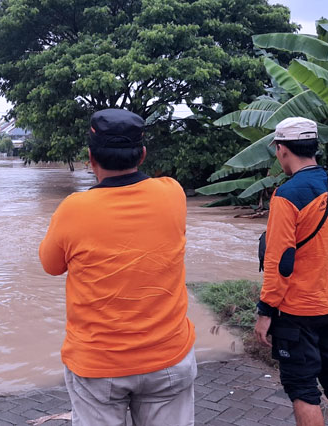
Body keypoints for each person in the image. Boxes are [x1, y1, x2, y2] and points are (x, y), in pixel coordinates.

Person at [39, 109, 196, 426]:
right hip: (168, 357)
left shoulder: (73, 209)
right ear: (143, 154)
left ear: (90, 157)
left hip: (98, 365)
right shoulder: (173, 193)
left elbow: (51, 265)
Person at [254, 117, 328, 426]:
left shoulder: (287, 195)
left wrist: (265, 312)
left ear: (283, 150)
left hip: (300, 311)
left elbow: (280, 262)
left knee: (302, 387)